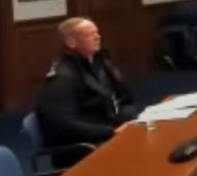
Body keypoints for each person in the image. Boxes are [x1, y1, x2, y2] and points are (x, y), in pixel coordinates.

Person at [35, 18, 139, 168]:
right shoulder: (62, 78)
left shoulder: (98, 64)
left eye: (97, 33)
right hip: (82, 150)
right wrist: (111, 132)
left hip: (106, 134)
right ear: (71, 43)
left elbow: (125, 97)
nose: (98, 37)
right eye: (90, 34)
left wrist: (128, 118)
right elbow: (63, 126)